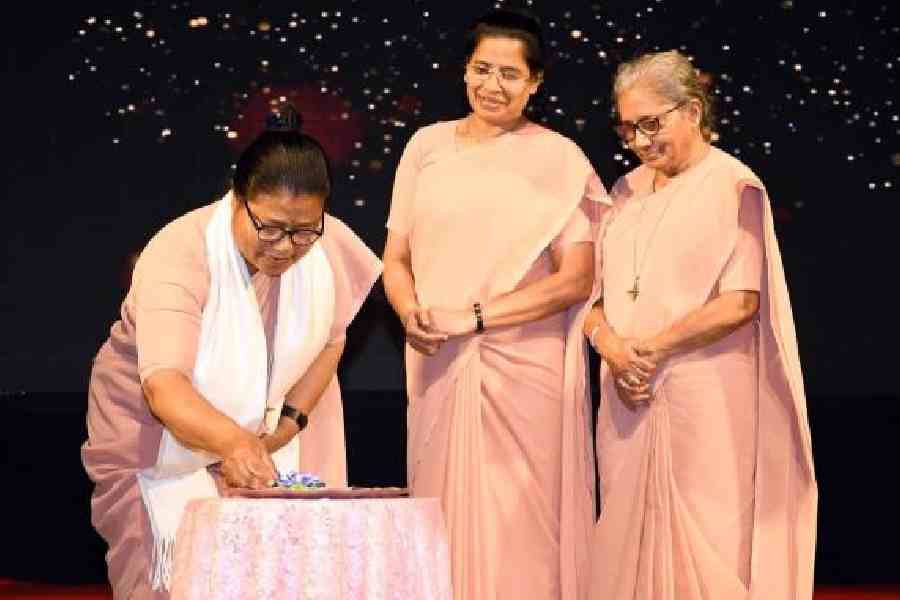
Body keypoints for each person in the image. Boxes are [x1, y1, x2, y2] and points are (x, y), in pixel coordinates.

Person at [81, 108, 382, 600]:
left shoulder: (326, 245)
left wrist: (284, 427)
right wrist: (235, 444)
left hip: (270, 433)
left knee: (285, 576)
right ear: (237, 200)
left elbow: (334, 338)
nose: (287, 247)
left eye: (304, 231)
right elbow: (164, 385)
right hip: (157, 441)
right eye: (271, 228)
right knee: (177, 581)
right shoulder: (180, 253)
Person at [382, 9, 608, 600]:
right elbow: (396, 258)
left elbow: (575, 279)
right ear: (464, 71)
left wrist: (477, 317)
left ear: (536, 82)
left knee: (522, 523)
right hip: (436, 361)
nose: (493, 85)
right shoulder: (425, 146)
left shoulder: (560, 157)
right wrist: (410, 314)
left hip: (523, 371)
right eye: (482, 69)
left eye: (510, 73)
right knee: (440, 511)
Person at [585, 50, 817, 599]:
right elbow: (592, 302)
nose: (639, 141)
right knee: (626, 541)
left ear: (691, 110)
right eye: (627, 128)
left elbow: (740, 301)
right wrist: (612, 346)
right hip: (626, 394)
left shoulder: (732, 185)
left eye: (651, 124)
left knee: (707, 537)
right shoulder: (621, 194)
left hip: (705, 397)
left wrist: (652, 349)